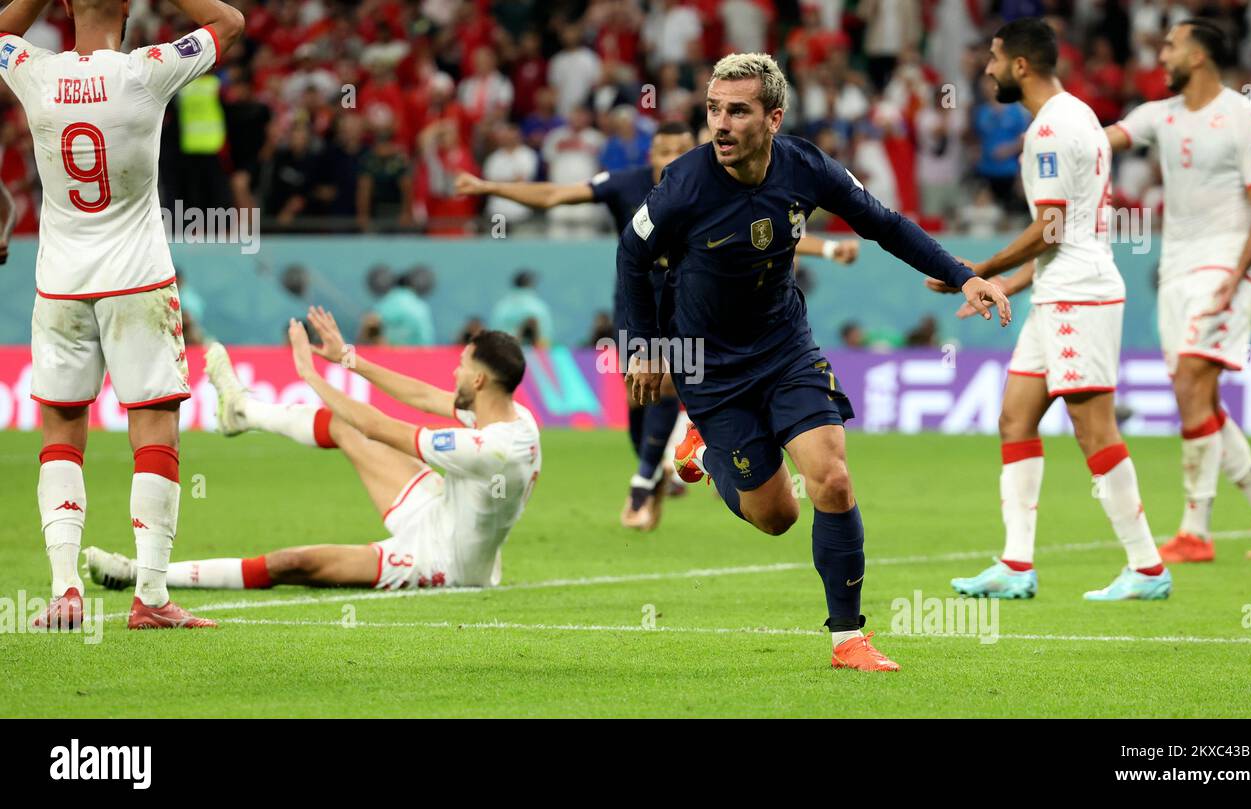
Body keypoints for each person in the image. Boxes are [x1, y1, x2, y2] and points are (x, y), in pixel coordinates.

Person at [618, 52, 1011, 672]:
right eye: (714, 109)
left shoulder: (806, 167)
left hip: (784, 348)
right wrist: (641, 344)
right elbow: (631, 254)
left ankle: (847, 637)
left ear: (773, 118)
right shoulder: (685, 184)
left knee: (832, 478)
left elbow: (882, 224)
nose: (720, 124)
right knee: (776, 516)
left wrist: (963, 275)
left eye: (737, 111)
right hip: (711, 368)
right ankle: (702, 451)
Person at [457, 121, 860, 531]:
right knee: (638, 401)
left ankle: (644, 486)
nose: (671, 158)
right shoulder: (624, 185)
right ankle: (668, 468)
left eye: (679, 149)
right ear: (650, 155)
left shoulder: (705, 183)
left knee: (668, 385)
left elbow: (772, 234)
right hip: (634, 313)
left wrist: (827, 247)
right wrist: (490, 189)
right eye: (663, 151)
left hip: (687, 314)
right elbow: (556, 194)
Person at [2, 0, 244, 630]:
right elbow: (229, 23)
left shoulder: (34, 70)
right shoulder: (149, 70)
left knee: (61, 433)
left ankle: (64, 594)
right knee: (154, 431)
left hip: (59, 282)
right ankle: (153, 599)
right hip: (137, 278)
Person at [932, 18, 1171, 602]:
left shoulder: (1048, 129)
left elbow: (1053, 226)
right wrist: (1002, 288)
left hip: (1078, 295)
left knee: (1093, 430)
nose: (985, 70)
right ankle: (1016, 564)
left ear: (1019, 65)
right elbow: (1064, 233)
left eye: (992, 58)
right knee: (1016, 416)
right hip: (1058, 289)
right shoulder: (1079, 115)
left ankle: (1146, 568)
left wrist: (978, 272)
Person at [86, 309, 540, 593]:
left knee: (294, 563)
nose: (454, 373)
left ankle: (141, 575)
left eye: (461, 367)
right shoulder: (512, 418)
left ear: (479, 381)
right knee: (342, 425)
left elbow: (379, 427)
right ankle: (243, 411)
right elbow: (422, 397)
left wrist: (309, 373)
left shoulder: (485, 448)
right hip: (442, 507)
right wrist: (347, 358)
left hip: (441, 560)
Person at [1107, 18, 1251, 561]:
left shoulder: (1245, 118)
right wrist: (1055, 129)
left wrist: (1237, 275)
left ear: (1199, 55)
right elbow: (1109, 138)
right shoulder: (1159, 114)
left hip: (1224, 266)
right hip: (1176, 270)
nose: (1159, 55)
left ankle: (1196, 529)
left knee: (1191, 380)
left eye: (1170, 45)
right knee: (1196, 394)